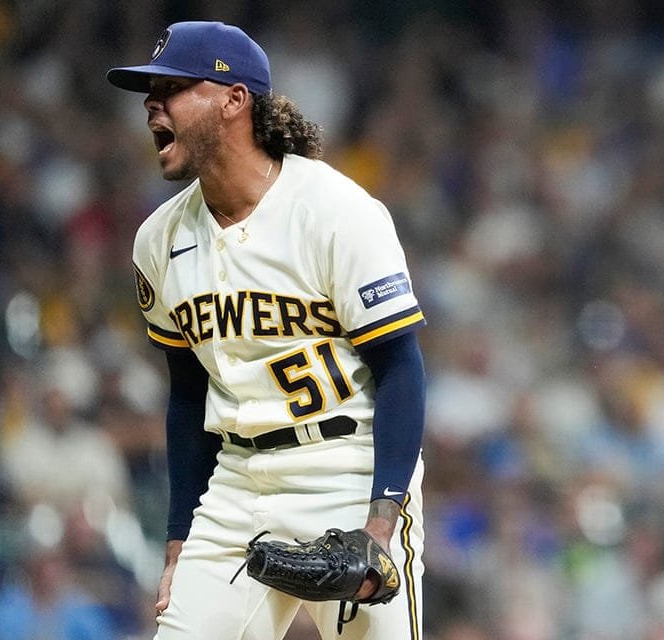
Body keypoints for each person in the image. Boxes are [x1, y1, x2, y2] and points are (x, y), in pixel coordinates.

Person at [106, 21, 427, 640]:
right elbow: (187, 395)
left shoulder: (336, 211)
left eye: (171, 88)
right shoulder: (158, 240)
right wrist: (179, 543)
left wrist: (380, 525)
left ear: (234, 100)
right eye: (150, 92)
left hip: (346, 470)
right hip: (236, 484)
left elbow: (400, 367)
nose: (152, 104)